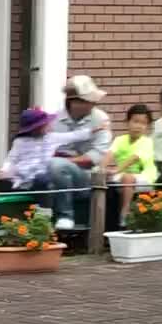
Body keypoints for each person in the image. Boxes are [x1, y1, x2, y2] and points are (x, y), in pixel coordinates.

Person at [45, 75, 112, 231]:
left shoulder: (101, 119)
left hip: (86, 175)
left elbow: (97, 155)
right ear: (73, 102)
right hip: (53, 173)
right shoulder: (53, 120)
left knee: (56, 165)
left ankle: (66, 216)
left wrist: (66, 161)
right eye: (88, 101)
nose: (93, 104)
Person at [105, 104, 158, 226]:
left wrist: (116, 170)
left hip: (145, 176)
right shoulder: (119, 140)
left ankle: (125, 213)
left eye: (143, 123)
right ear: (127, 122)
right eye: (135, 121)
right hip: (123, 175)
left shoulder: (147, 142)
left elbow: (134, 158)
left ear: (147, 127)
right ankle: (106, 221)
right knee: (108, 179)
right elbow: (109, 154)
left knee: (127, 178)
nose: (138, 126)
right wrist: (101, 168)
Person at [0, 107, 57, 192]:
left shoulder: (51, 138)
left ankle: (45, 205)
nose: (48, 125)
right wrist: (4, 170)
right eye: (45, 124)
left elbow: (75, 136)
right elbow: (11, 159)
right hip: (21, 180)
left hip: (42, 179)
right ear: (37, 128)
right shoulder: (20, 141)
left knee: (42, 179)